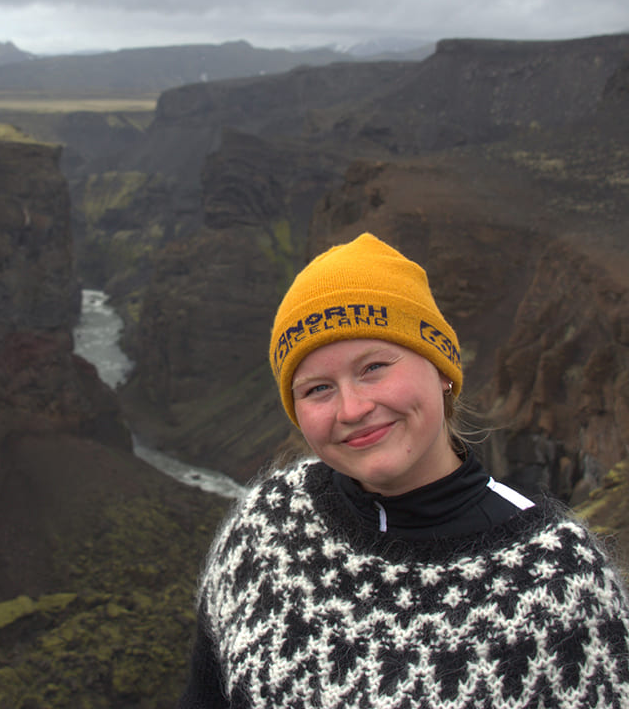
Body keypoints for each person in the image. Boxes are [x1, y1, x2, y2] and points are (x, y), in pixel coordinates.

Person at [178, 232, 629, 708]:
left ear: (440, 368)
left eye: (374, 366)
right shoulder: (265, 531)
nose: (352, 408)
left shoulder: (560, 586)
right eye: (317, 389)